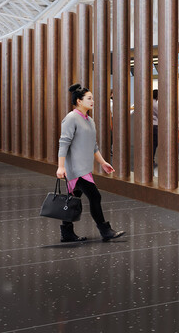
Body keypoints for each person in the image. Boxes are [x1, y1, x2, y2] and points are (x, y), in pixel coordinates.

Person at [56, 84, 125, 243]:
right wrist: (60, 166)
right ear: (79, 101)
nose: (92, 101)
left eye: (92, 98)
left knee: (73, 199)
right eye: (89, 98)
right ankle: (105, 230)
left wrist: (103, 162)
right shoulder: (71, 118)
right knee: (95, 196)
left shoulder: (90, 120)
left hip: (85, 168)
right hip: (75, 169)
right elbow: (64, 143)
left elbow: (93, 146)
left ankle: (66, 232)